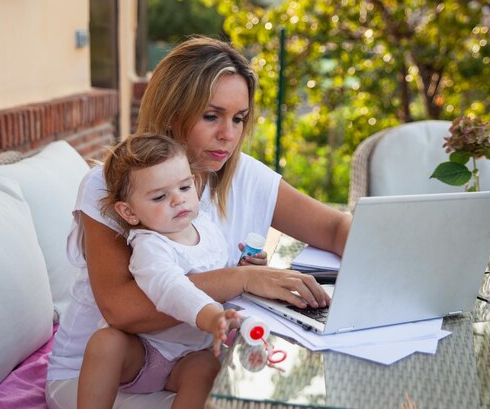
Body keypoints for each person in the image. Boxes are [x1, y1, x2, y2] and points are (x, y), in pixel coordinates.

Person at [46, 35, 352, 409]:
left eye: (239, 118)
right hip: (98, 377)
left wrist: (408, 257)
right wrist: (241, 279)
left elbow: (335, 229)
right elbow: (121, 310)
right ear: (172, 114)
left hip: (190, 368)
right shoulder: (113, 185)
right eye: (211, 116)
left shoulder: (244, 176)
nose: (229, 134)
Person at [77, 133, 253, 409]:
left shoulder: (206, 227)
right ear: (129, 212)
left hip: (190, 356)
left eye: (184, 188)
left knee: (207, 369)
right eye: (159, 196)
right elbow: (171, 288)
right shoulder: (149, 246)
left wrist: (244, 268)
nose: (177, 201)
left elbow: (222, 271)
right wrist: (210, 316)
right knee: (106, 343)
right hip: (144, 352)